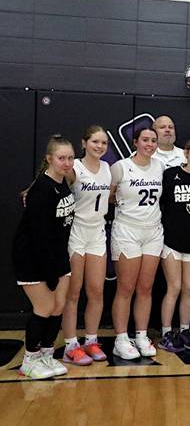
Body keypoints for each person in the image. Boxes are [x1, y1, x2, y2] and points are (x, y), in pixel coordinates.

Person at [14, 136, 75, 379]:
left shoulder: (63, 183)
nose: (67, 162)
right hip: (33, 259)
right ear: (49, 159)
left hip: (57, 255)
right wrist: (50, 273)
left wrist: (60, 264)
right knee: (45, 306)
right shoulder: (42, 188)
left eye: (70, 158)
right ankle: (29, 360)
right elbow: (39, 236)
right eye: (61, 158)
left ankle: (47, 355)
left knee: (59, 306)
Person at [110, 127, 165, 360]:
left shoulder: (160, 166)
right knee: (125, 288)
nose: (150, 144)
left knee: (146, 288)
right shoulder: (121, 167)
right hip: (127, 232)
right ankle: (121, 339)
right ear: (135, 142)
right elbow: (109, 196)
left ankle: (141, 335)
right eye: (145, 140)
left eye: (153, 140)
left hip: (153, 233)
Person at [61, 126, 112, 366]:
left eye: (103, 143)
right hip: (76, 234)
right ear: (84, 143)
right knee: (73, 292)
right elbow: (55, 185)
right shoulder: (75, 169)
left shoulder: (108, 170)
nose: (100, 146)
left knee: (96, 291)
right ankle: (70, 345)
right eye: (95, 142)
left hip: (97, 234)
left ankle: (91, 340)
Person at [157, 138, 190, 352]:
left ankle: (185, 330)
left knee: (188, 287)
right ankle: (166, 333)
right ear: (186, 153)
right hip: (171, 241)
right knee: (174, 287)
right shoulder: (170, 175)